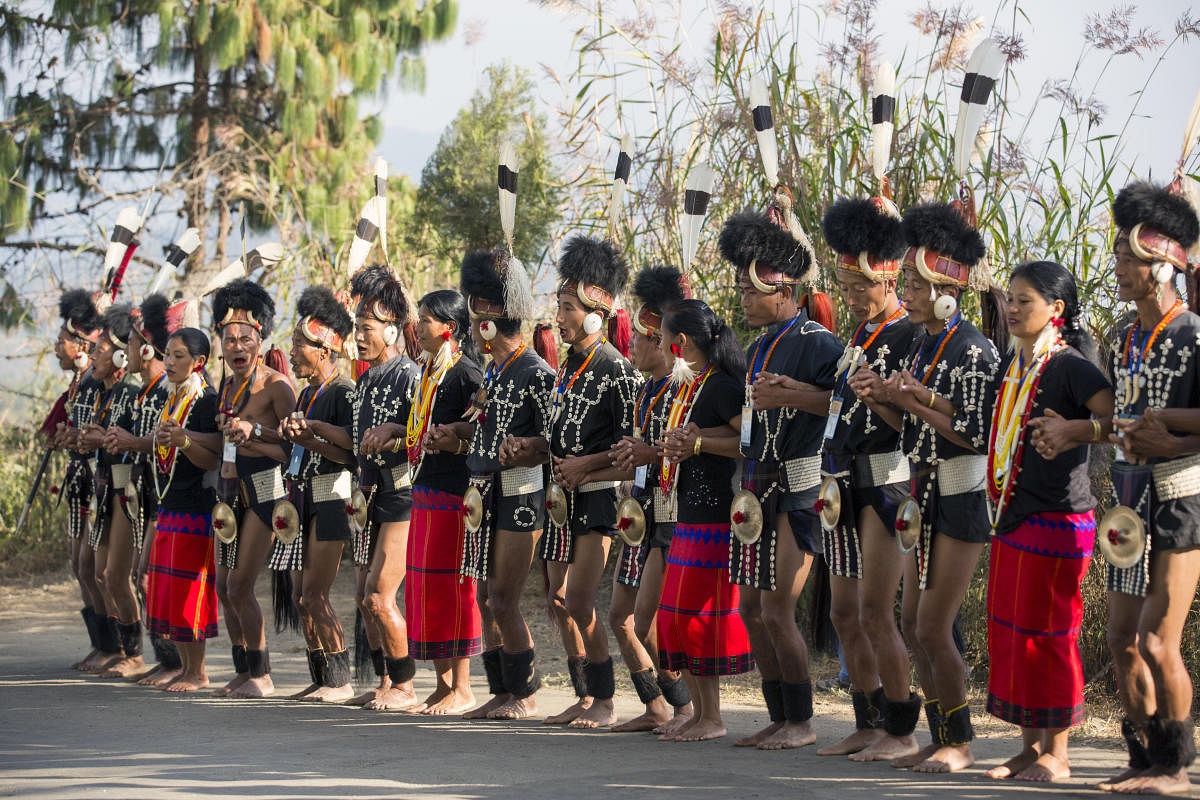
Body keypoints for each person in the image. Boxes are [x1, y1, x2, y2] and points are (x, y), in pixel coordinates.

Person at [850, 201, 1005, 773]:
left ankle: (959, 741)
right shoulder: (922, 342)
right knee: (913, 622)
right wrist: (885, 399)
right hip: (922, 495)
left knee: (934, 625)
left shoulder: (973, 349)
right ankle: (941, 734)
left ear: (946, 288)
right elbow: (910, 425)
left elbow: (973, 433)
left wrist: (913, 399)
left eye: (914, 283)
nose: (906, 291)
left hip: (960, 494)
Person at [718, 195, 843, 751]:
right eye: (742, 289)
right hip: (756, 490)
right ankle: (779, 712)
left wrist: (795, 394)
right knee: (749, 608)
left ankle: (803, 721)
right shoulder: (759, 345)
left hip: (800, 490)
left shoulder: (821, 343)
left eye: (752, 291)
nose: (743, 299)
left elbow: (847, 408)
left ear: (785, 291)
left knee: (776, 607)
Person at [981, 260, 1113, 782]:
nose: (1011, 309)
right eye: (1009, 299)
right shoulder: (1013, 364)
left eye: (1024, 300)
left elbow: (1116, 421)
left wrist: (1077, 429)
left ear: (1056, 309)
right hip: (1011, 515)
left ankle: (1058, 752)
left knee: (1049, 634)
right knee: (1013, 634)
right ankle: (1029, 747)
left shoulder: (1072, 366)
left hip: (1058, 520)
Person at [1098, 182, 1200, 796]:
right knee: (1121, 640)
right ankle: (1142, 757)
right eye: (1116, 256)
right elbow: (1113, 418)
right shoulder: (1120, 339)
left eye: (1128, 259)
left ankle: (1175, 765)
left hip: (1182, 496)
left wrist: (1174, 442)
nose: (1118, 268)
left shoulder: (1194, 335)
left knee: (1160, 640)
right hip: (1128, 500)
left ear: (1162, 266)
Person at [819, 196, 924, 759]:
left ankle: (902, 729)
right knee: (842, 612)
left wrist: (879, 397)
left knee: (875, 612)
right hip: (842, 483)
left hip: (887, 483)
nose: (852, 296)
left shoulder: (909, 336)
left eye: (861, 287)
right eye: (846, 286)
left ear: (887, 280)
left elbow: (912, 424)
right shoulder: (858, 337)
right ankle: (868, 717)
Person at [542, 234, 640, 728]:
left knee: (578, 599)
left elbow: (631, 455)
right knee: (559, 600)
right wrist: (534, 449)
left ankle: (605, 699)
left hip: (600, 500)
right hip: (562, 501)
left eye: (566, 308)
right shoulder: (569, 367)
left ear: (595, 313)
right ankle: (585, 695)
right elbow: (561, 436)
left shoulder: (617, 370)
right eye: (559, 306)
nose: (559, 317)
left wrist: (586, 467)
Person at [457, 246, 554, 721]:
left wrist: (526, 447)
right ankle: (501, 689)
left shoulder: (536, 371)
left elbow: (554, 442)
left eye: (475, 321)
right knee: (482, 596)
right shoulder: (493, 372)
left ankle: (527, 692)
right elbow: (480, 425)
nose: (472, 330)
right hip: (483, 495)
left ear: (489, 323)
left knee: (503, 597)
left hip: (520, 494)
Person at [651, 299, 751, 741]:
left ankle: (712, 716)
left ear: (681, 342)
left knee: (694, 619)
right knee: (671, 619)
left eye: (662, 338)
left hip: (714, 520)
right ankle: (697, 713)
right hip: (686, 516)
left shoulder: (723, 387)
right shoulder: (688, 386)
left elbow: (748, 440)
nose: (660, 345)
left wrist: (701, 442)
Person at [607, 265, 694, 733]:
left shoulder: (685, 387)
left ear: (657, 342)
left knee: (645, 623)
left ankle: (686, 707)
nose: (631, 348)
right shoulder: (645, 391)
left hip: (672, 516)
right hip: (638, 516)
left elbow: (684, 448)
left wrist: (649, 454)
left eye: (637, 341)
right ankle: (656, 706)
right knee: (620, 617)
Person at [397, 289, 484, 714]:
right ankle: (442, 683)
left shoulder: (467, 373)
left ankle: (464, 687)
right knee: (426, 587)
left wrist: (453, 439)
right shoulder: (429, 370)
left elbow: (483, 432)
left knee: (454, 587)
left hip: (455, 495)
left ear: (449, 328)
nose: (419, 326)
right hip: (426, 490)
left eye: (427, 320)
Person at [209, 279, 296, 698]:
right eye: (230, 339)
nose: (237, 346)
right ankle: (244, 669)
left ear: (260, 341)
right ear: (221, 345)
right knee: (224, 586)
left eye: (245, 338)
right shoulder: (226, 387)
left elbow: (294, 448)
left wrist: (253, 431)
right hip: (231, 495)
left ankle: (262, 674)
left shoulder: (277, 385)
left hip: (266, 493)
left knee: (240, 585)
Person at [345, 265, 422, 711]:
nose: (358, 336)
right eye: (356, 327)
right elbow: (355, 445)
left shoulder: (409, 375)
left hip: (400, 497)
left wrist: (396, 431)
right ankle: (386, 679)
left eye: (366, 328)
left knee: (379, 594)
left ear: (392, 330)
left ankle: (406, 685)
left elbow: (424, 437)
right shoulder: (366, 379)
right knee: (363, 597)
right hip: (367, 500)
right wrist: (311, 431)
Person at [278, 287, 357, 703]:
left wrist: (309, 439)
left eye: (297, 344)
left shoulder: (343, 392)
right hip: (300, 497)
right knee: (298, 596)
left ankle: (340, 680)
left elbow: (349, 451)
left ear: (324, 349)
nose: (291, 352)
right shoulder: (307, 394)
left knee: (315, 593)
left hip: (330, 497)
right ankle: (322, 674)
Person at [103, 294, 179, 685]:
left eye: (131, 343)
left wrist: (133, 443)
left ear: (147, 347)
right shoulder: (139, 393)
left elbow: (166, 440)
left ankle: (174, 661)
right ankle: (151, 656)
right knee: (130, 575)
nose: (126, 349)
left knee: (149, 577)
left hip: (164, 497)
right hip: (138, 494)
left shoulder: (170, 390)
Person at [146, 327, 222, 691]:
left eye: (178, 356)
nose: (169, 362)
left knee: (190, 593)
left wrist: (185, 440)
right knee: (169, 593)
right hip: (170, 504)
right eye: (167, 354)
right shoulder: (172, 397)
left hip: (196, 509)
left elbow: (212, 458)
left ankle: (198, 671)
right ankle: (184, 667)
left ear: (199, 362)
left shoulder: (206, 401)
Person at [77, 302, 140, 675]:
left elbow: (131, 440)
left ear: (120, 354)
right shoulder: (102, 391)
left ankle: (132, 654)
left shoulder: (131, 390)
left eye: (98, 349)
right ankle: (113, 646)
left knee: (115, 574)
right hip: (103, 490)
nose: (91, 354)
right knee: (100, 573)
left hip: (127, 490)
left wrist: (103, 440)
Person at [53, 289, 106, 670]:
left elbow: (105, 431)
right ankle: (102, 643)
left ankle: (120, 646)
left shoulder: (97, 382)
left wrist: (84, 439)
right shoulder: (78, 384)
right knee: (79, 566)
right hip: (78, 481)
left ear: (79, 345)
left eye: (61, 340)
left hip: (98, 483)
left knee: (93, 567)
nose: (56, 347)